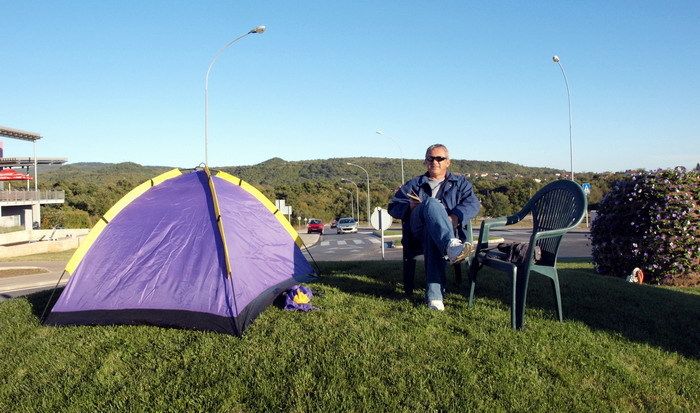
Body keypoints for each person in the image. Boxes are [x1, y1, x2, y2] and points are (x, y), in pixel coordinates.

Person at [388, 144, 480, 311]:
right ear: (425, 161)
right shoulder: (415, 184)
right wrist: (409, 207)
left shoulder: (460, 184)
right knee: (430, 203)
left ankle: (435, 298)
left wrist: (455, 216)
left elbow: (473, 204)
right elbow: (393, 207)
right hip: (417, 230)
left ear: (448, 162)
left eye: (439, 158)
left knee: (432, 236)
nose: (434, 162)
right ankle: (451, 246)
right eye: (430, 158)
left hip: (440, 232)